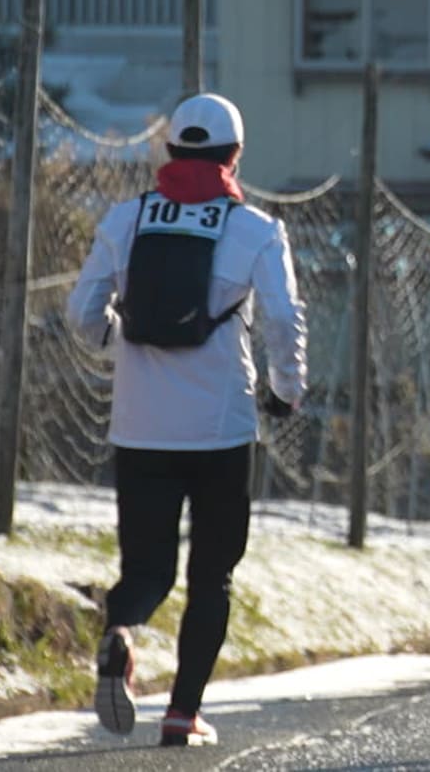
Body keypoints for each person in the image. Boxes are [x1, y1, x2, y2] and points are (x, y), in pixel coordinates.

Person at [66, 93, 308, 748]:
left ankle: (119, 632)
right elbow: (284, 319)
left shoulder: (126, 219)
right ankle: (182, 712)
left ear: (169, 150)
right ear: (235, 155)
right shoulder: (255, 228)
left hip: (139, 423)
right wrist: (287, 389)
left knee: (147, 567)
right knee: (212, 575)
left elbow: (82, 312)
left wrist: (123, 345)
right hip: (222, 427)